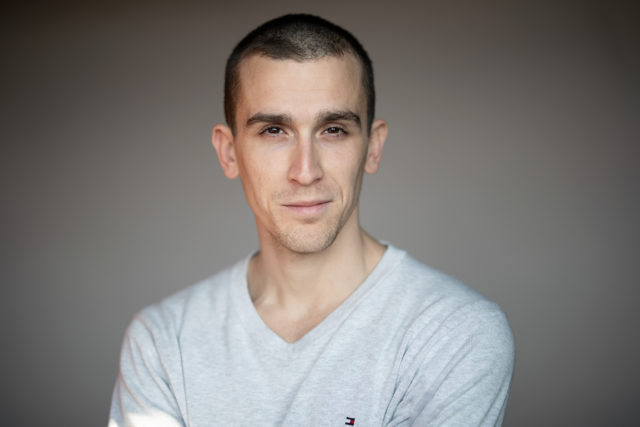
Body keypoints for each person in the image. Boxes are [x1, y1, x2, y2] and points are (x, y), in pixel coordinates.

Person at [109, 14, 514, 426]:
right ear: (229, 152)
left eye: (333, 130)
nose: (305, 171)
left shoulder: (455, 332)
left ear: (373, 148)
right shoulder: (163, 341)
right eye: (273, 131)